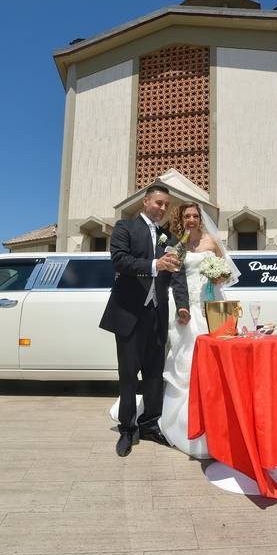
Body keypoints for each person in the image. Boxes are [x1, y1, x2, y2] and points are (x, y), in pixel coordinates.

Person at [99, 184, 189, 457]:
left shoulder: (170, 237)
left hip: (156, 315)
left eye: (166, 205)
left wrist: (182, 307)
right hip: (129, 313)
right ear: (146, 201)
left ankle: (150, 424)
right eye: (159, 203)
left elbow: (178, 275)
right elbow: (120, 261)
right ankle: (128, 429)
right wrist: (153, 265)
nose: (163, 209)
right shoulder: (124, 228)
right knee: (128, 375)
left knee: (154, 375)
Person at [158, 202, 240, 458]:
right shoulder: (178, 245)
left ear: (200, 219)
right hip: (187, 309)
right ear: (182, 220)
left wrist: (218, 277)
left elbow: (228, 273)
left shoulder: (212, 242)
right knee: (184, 360)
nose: (191, 219)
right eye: (187, 216)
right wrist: (182, 306)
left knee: (214, 361)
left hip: (211, 307)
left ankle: (217, 417)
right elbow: (174, 278)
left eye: (195, 215)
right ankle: (179, 422)